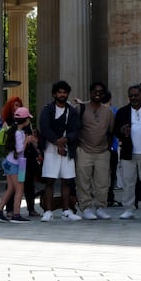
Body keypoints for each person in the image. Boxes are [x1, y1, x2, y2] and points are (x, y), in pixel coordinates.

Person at [38, 81, 82, 221]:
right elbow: (44, 128)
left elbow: (75, 129)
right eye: (59, 92)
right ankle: (48, 211)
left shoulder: (72, 111)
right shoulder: (47, 109)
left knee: (67, 180)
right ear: (54, 94)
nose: (62, 95)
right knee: (50, 180)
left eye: (64, 92)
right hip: (51, 149)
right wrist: (57, 142)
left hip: (67, 148)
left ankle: (66, 210)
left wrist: (65, 140)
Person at [74, 82, 115, 220]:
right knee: (83, 181)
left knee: (103, 182)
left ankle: (101, 207)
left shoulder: (108, 111)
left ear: (104, 94)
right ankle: (85, 208)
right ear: (90, 92)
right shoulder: (80, 108)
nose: (97, 94)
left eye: (101, 92)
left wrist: (107, 148)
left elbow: (111, 131)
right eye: (95, 91)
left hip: (102, 151)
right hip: (84, 150)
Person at [114, 85, 141, 220]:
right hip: (128, 152)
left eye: (136, 95)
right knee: (128, 181)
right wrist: (122, 131)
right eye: (131, 96)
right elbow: (115, 130)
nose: (133, 98)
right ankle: (129, 209)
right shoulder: (122, 111)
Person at [0, 107, 37, 223]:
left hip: (11, 162)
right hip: (16, 164)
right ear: (26, 120)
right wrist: (26, 141)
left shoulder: (13, 131)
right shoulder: (18, 133)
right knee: (19, 189)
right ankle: (16, 214)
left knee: (11, 188)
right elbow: (19, 149)